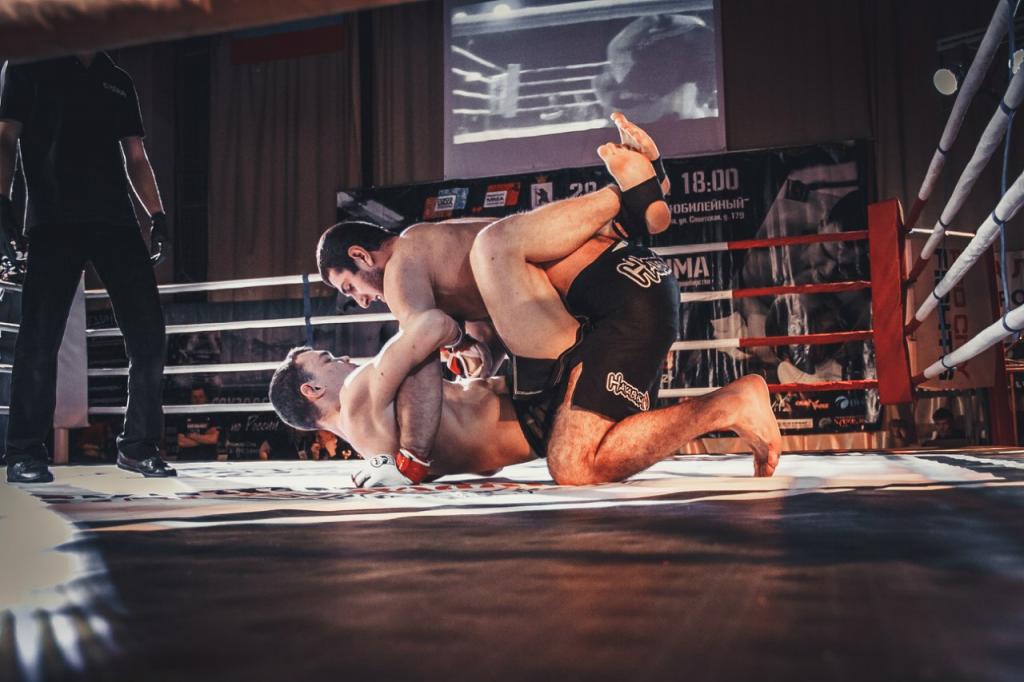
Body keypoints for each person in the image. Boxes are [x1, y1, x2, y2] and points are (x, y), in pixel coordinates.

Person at [310, 115, 781, 483]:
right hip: (619, 288)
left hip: (616, 297)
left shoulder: (401, 267)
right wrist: (479, 349)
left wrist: (411, 459)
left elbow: (424, 340)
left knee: (493, 246)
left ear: (360, 255)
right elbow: (488, 324)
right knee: (574, 459)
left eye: (350, 287)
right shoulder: (438, 253)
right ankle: (634, 201)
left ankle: (629, 198)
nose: (362, 301)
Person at [0, 52, 174, 483]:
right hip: (53, 220)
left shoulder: (116, 78)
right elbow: (5, 139)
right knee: (39, 338)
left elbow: (136, 155)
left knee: (149, 335)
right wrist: (1, 206)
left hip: (116, 222)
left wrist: (157, 215)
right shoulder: (28, 65)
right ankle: (24, 452)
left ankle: (138, 447)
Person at [176, 385, 221, 460]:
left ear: (206, 398)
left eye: (201, 397)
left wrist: (191, 436)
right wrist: (204, 440)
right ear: (191, 399)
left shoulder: (212, 415)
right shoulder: (184, 415)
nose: (197, 400)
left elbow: (213, 439)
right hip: (186, 459)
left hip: (208, 459)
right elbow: (181, 442)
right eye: (194, 397)